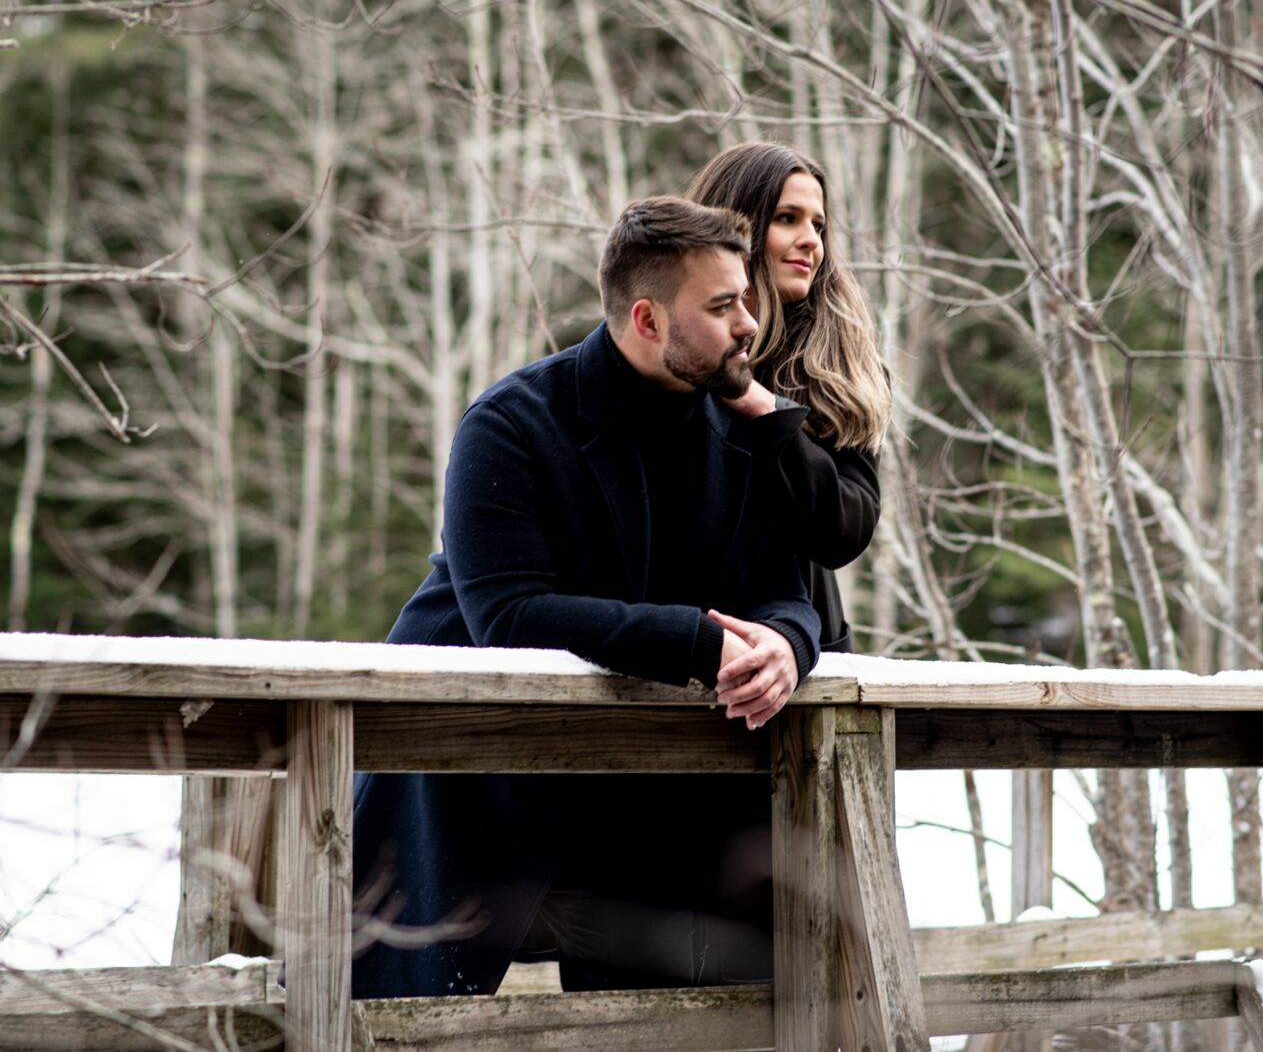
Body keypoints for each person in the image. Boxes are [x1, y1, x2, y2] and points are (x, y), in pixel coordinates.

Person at [350, 196, 823, 999]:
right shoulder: (510, 423)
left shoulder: (738, 431)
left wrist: (786, 644)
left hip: (641, 803)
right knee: (397, 1027)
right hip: (468, 779)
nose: (750, 323)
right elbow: (509, 615)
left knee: (688, 1008)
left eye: (746, 299)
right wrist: (702, 643)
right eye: (722, 306)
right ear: (647, 319)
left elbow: (786, 590)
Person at [684, 141, 891, 653]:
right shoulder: (674, 349)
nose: (811, 241)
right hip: (680, 640)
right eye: (787, 219)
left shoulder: (838, 369)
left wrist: (767, 413)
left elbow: (844, 531)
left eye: (818, 225)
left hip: (802, 651)